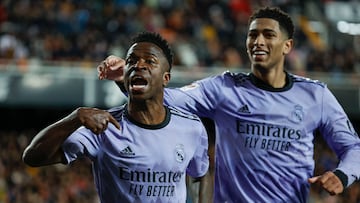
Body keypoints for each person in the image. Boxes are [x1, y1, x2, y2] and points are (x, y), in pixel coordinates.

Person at [97, 6, 360, 202]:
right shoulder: (223, 88)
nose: (258, 41)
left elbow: (353, 147)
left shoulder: (316, 95)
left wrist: (342, 175)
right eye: (252, 34)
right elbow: (166, 98)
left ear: (287, 45)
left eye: (268, 35)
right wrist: (128, 77)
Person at [22, 32, 210, 203]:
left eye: (150, 61)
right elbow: (33, 157)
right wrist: (75, 117)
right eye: (131, 61)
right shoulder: (103, 127)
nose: (139, 65)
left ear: (165, 78)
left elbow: (201, 174)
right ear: (125, 73)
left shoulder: (191, 127)